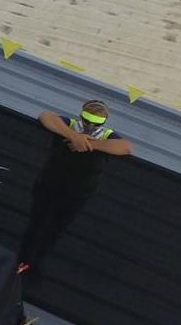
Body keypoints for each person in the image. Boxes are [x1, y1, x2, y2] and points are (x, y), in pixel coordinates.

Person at [18, 98, 134, 280]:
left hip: (77, 193)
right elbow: (46, 116)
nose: (90, 126)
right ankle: (23, 260)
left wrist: (89, 144)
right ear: (81, 116)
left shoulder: (106, 135)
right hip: (50, 185)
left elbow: (126, 147)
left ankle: (37, 262)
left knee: (56, 229)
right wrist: (74, 136)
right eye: (87, 120)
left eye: (96, 123)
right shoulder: (70, 125)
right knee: (37, 224)